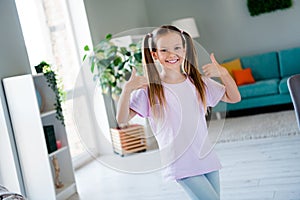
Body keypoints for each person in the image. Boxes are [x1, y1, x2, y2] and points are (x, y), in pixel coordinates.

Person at [116, 25, 241, 200]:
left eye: (177, 48)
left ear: (184, 49)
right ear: (155, 55)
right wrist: (127, 90)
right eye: (164, 50)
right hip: (180, 162)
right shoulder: (150, 90)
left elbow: (234, 97)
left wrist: (224, 73)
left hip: (205, 155)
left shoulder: (197, 82)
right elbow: (122, 119)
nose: (172, 54)